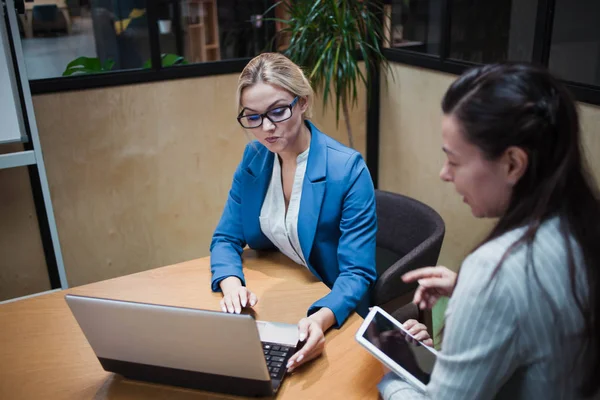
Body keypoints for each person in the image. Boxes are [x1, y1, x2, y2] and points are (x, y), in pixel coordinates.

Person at [378, 63, 600, 399]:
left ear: (512, 164)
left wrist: (391, 379)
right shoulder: (583, 225)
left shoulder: (496, 272)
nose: (444, 174)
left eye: (454, 161)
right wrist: (468, 290)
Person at [210, 52, 378, 372]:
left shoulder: (348, 170)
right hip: (286, 296)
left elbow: (357, 273)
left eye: (278, 111)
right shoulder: (255, 157)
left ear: (302, 103)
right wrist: (233, 285)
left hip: (335, 309)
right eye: (253, 117)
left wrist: (320, 318)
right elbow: (225, 237)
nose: (267, 128)